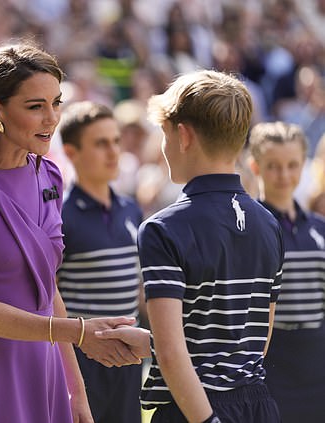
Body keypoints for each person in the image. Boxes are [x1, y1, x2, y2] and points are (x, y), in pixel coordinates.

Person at [0, 41, 139, 423]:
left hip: (48, 365)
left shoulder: (49, 174)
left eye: (56, 103)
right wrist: (78, 332)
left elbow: (47, 287)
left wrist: (76, 390)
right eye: (35, 106)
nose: (52, 118)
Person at [97, 70, 283, 423]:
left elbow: (171, 355)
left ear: (183, 135)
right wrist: (150, 342)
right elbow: (248, 345)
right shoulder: (268, 223)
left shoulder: (162, 228)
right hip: (258, 407)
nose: (163, 146)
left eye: (164, 134)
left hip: (193, 412)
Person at [57, 100, 144, 423]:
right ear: (71, 152)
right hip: (80, 364)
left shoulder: (131, 210)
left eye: (116, 142)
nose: (113, 152)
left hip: (129, 362)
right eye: (100, 143)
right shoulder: (59, 216)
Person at [247, 121, 325, 423]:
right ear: (255, 166)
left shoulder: (319, 228)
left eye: (293, 165)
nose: (284, 175)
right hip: (270, 363)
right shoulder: (249, 229)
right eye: (273, 166)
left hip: (318, 360)